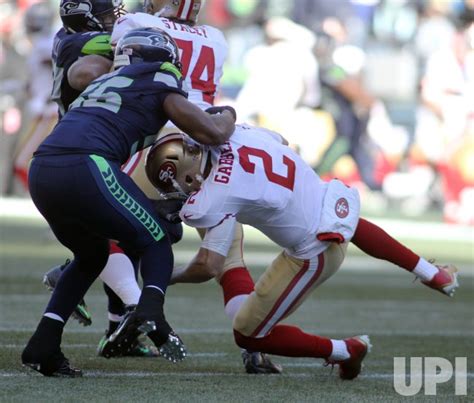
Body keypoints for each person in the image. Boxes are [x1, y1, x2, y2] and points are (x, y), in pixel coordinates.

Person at [144, 125, 459, 380]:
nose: (181, 193)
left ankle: (344, 350)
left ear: (186, 173)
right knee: (349, 225)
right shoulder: (238, 134)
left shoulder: (213, 196)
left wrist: (165, 279)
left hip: (313, 252)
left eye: (178, 185)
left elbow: (207, 266)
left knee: (248, 335)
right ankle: (433, 273)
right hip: (331, 206)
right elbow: (281, 139)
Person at [21, 27, 236, 378]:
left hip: (43, 169)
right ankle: (150, 310)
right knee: (156, 239)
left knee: (92, 256)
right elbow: (211, 132)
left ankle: (44, 344)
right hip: (86, 163)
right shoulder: (158, 79)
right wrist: (227, 114)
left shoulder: (105, 80)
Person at [92, 0, 281, 373]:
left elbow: (107, 68)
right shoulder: (217, 37)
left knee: (107, 230)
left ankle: (131, 306)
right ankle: (254, 346)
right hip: (213, 145)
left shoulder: (138, 21)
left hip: (160, 142)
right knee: (228, 261)